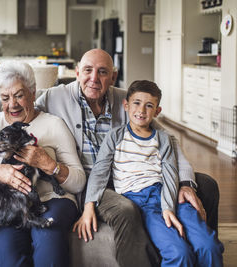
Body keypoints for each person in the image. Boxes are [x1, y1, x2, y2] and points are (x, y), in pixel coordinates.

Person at [35, 48, 216, 266]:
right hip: (92, 183)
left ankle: (202, 251)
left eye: (102, 72)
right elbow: (25, 112)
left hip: (133, 174)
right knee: (125, 209)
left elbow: (167, 140)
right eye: (88, 70)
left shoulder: (127, 101)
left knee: (206, 184)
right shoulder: (55, 96)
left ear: (113, 76)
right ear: (77, 72)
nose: (94, 78)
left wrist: (186, 183)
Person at [77, 80, 223, 266]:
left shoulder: (164, 138)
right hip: (141, 202)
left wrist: (168, 208)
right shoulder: (115, 136)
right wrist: (89, 204)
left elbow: (171, 175)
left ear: (157, 111)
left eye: (149, 106)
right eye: (137, 103)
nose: (142, 110)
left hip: (168, 196)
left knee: (209, 245)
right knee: (179, 252)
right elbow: (99, 173)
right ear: (126, 105)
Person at [0, 61, 86, 267]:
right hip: (11, 206)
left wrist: (48, 164)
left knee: (47, 235)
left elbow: (78, 182)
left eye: (19, 95)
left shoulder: (53, 124)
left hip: (52, 200)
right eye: (5, 98)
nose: (12, 104)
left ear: (33, 93)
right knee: (4, 249)